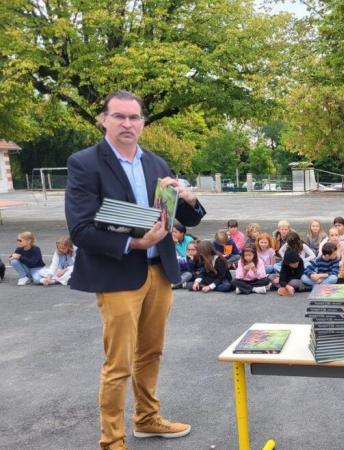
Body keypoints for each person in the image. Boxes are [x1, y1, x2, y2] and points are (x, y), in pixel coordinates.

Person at [65, 91, 205, 450]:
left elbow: (181, 217)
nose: (128, 124)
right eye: (120, 117)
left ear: (143, 122)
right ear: (104, 119)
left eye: (134, 117)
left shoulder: (157, 164)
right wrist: (135, 244)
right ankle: (112, 441)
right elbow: (80, 230)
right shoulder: (85, 163)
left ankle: (146, 419)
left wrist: (189, 200)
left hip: (159, 271)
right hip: (118, 275)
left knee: (151, 353)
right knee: (119, 364)